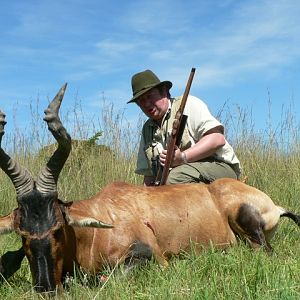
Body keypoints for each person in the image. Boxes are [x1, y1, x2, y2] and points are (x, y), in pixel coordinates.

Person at [127, 69, 241, 186]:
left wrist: (182, 157)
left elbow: (217, 139)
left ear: (164, 92)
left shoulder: (188, 105)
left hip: (219, 167)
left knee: (175, 178)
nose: (146, 104)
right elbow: (149, 175)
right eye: (141, 101)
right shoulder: (147, 129)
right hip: (182, 176)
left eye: (150, 96)